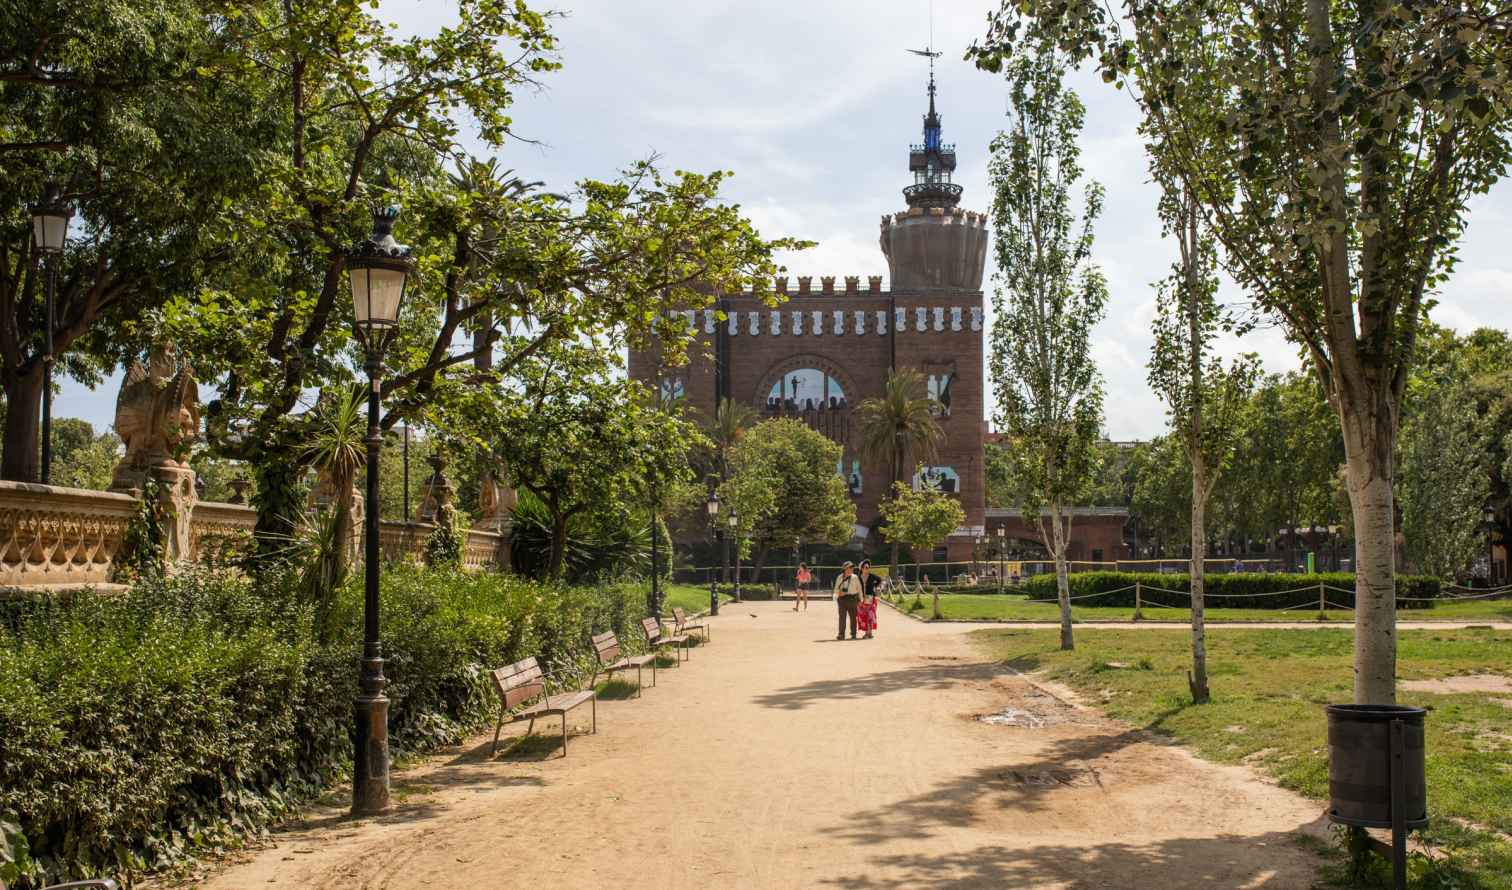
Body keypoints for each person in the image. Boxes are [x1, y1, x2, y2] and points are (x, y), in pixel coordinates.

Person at [833, 561, 863, 640]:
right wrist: (839, 593)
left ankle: (853, 634)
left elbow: (859, 589)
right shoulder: (840, 577)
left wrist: (861, 600)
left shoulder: (855, 577)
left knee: (853, 617)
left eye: (852, 568)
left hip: (853, 599)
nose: (851, 569)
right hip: (842, 599)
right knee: (842, 617)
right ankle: (841, 634)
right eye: (849, 568)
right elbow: (835, 589)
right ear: (845, 569)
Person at [857, 560, 882, 639]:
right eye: (865, 567)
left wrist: (875, 586)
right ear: (861, 568)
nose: (867, 569)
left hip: (871, 598)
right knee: (863, 616)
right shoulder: (858, 577)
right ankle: (868, 632)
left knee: (870, 615)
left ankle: (868, 633)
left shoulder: (872, 576)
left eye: (868, 567)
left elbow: (880, 580)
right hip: (861, 598)